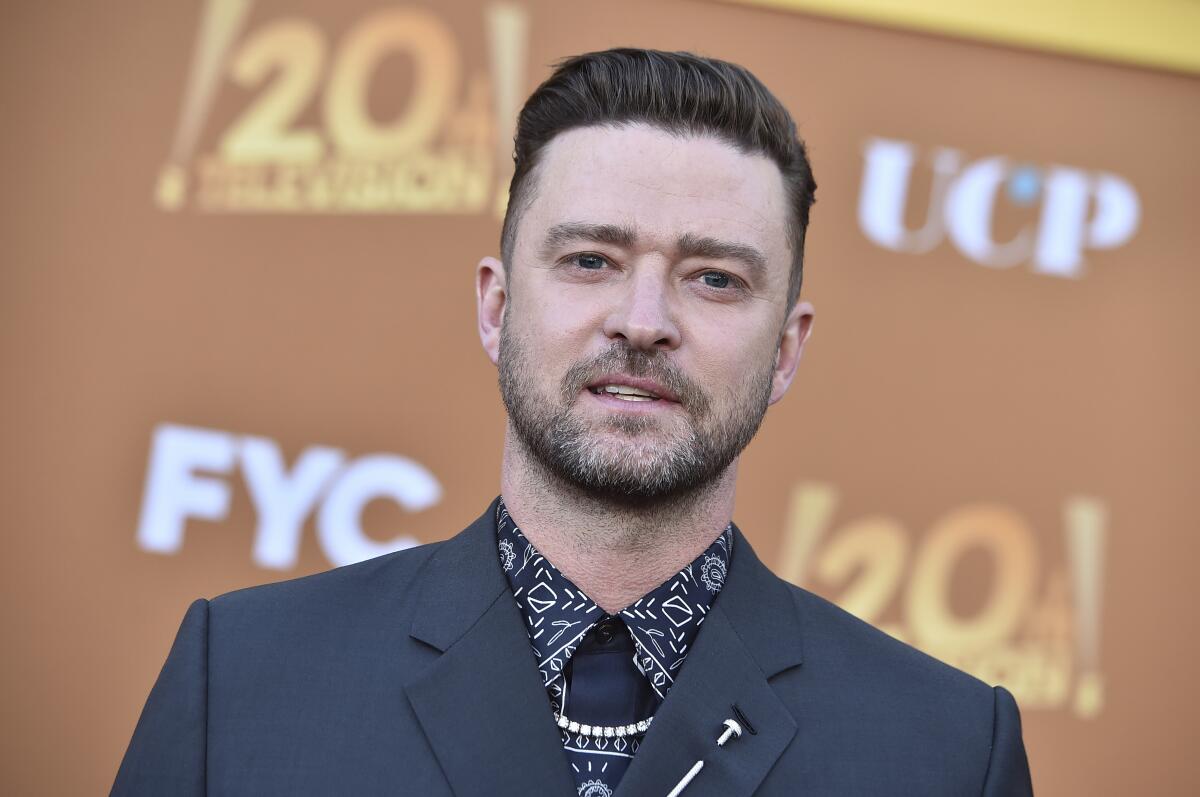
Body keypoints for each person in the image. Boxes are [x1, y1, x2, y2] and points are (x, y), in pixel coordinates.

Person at [113, 48, 1033, 796]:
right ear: (496, 305)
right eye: (591, 259)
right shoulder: (241, 678)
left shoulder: (947, 752)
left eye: (714, 277)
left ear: (786, 349)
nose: (643, 319)